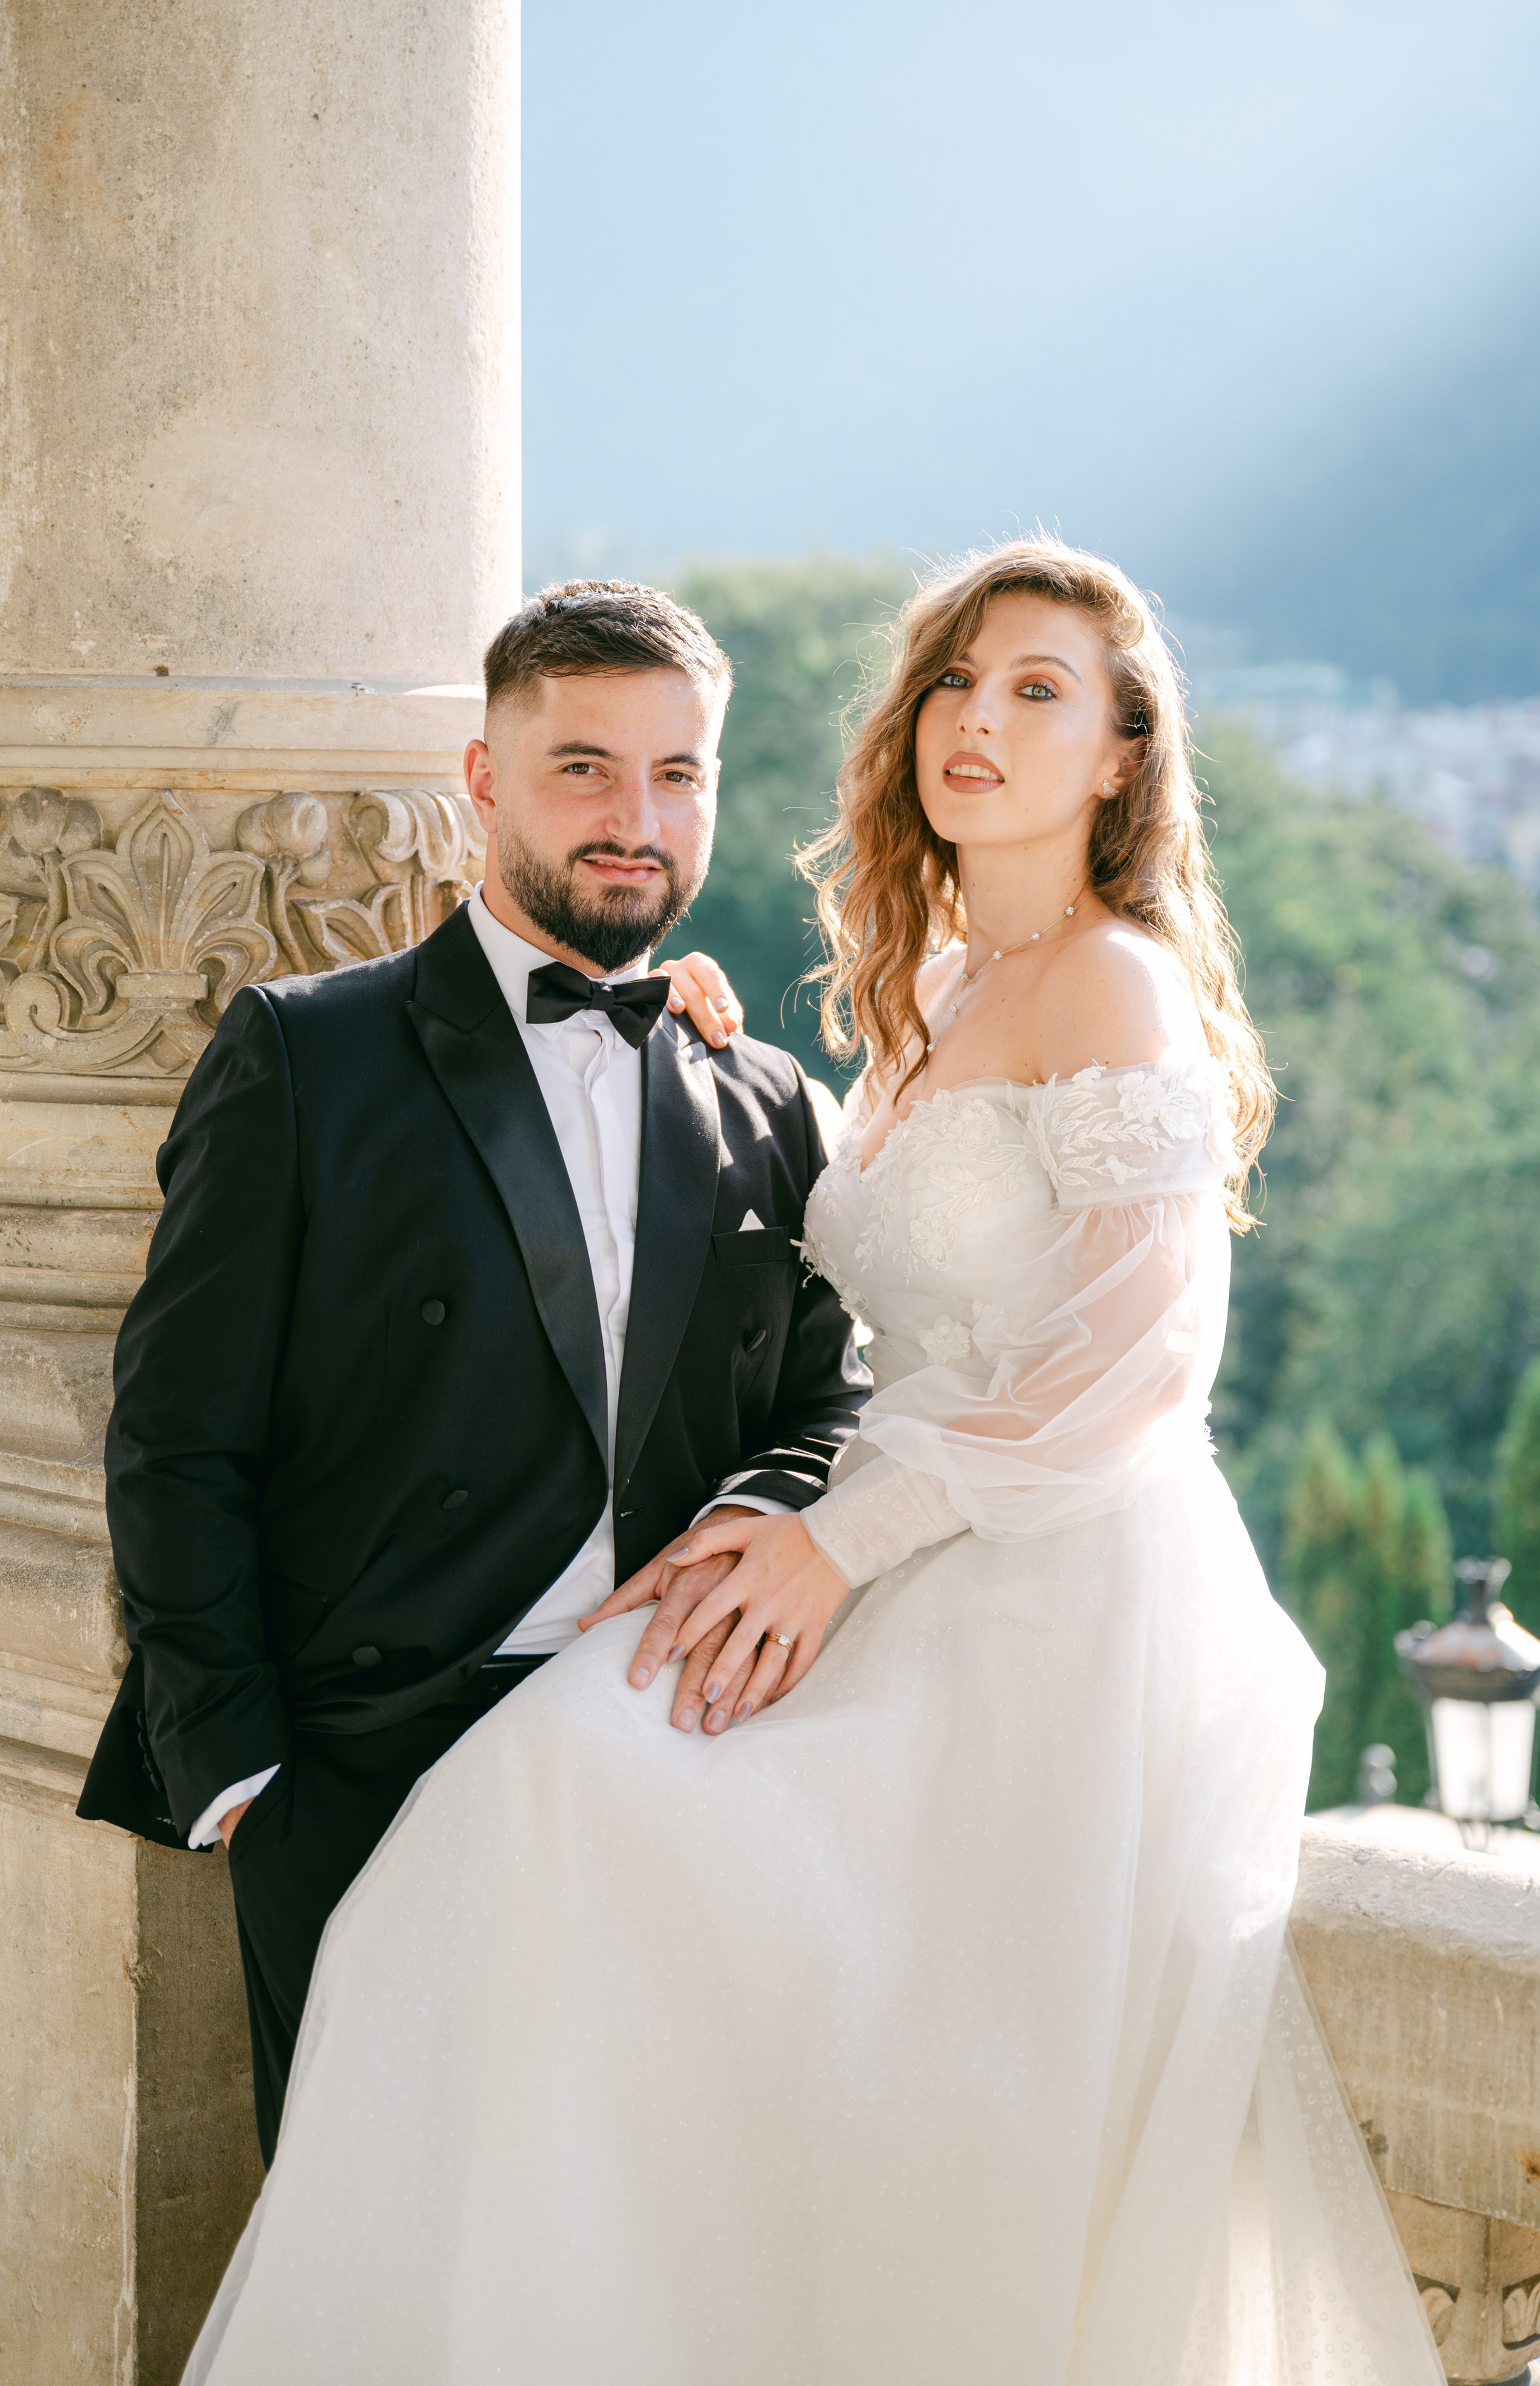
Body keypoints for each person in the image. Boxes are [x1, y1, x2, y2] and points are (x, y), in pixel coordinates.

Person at [182, 538, 1444, 2385]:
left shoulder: (1114, 981)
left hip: (1043, 1595)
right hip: (877, 1552)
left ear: (1121, 758)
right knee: (587, 1898)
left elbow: (1145, 1360)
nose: (980, 721)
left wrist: (846, 1541)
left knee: (625, 1865)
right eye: (957, 681)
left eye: (1041, 693)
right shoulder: (927, 988)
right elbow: (882, 1275)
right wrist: (732, 1065)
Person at [78, 579, 869, 2168]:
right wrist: (244, 1776)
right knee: (384, 2271)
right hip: (366, 1779)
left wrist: (771, 1519)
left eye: (677, 773)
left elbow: (833, 1394)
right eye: (583, 766)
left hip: (667, 1755)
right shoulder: (306, 1055)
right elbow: (176, 1436)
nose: (634, 817)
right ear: (484, 778)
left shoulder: (764, 1096)